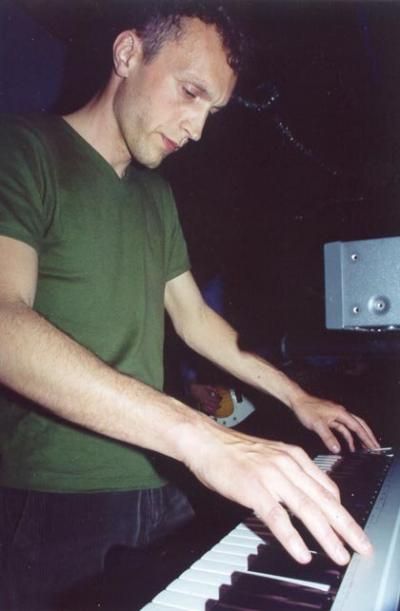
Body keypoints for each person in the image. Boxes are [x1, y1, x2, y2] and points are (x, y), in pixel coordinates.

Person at [0, 1, 379, 609]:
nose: (198, 129)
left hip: (160, 478)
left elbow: (197, 321)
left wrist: (297, 397)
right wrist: (202, 439)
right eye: (191, 92)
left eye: (212, 111)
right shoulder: (22, 149)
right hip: (55, 501)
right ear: (128, 53)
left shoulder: (155, 195)